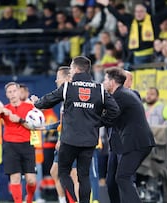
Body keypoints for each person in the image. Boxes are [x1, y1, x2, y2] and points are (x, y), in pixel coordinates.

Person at [32, 56, 120, 203]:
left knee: (63, 172)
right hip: (89, 140)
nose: (70, 71)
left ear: (77, 69)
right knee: (83, 176)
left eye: (71, 68)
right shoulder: (99, 89)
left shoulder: (68, 87)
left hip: (69, 140)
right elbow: (115, 111)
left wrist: (36, 103)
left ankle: (72, 200)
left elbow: (47, 101)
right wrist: (98, 123)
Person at [103, 67, 155, 203]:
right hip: (136, 142)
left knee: (122, 177)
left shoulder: (120, 96)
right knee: (119, 178)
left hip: (136, 142)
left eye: (105, 80)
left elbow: (107, 118)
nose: (103, 82)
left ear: (112, 82)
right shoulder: (122, 94)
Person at [0, 82, 36, 203]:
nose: (12, 94)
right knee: (15, 178)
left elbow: (35, 126)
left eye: (14, 91)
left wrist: (19, 120)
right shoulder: (5, 109)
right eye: (9, 92)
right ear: (7, 95)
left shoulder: (29, 107)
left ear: (19, 92)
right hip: (10, 146)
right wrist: (0, 111)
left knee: (31, 180)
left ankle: (29, 199)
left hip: (27, 145)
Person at [47, 66, 79, 203]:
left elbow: (74, 121)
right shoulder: (65, 97)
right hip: (64, 139)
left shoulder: (73, 95)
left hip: (72, 141)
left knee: (74, 175)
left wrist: (63, 139)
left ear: (67, 78)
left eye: (58, 78)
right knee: (55, 172)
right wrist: (45, 127)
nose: (56, 81)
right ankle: (62, 200)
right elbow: (63, 121)